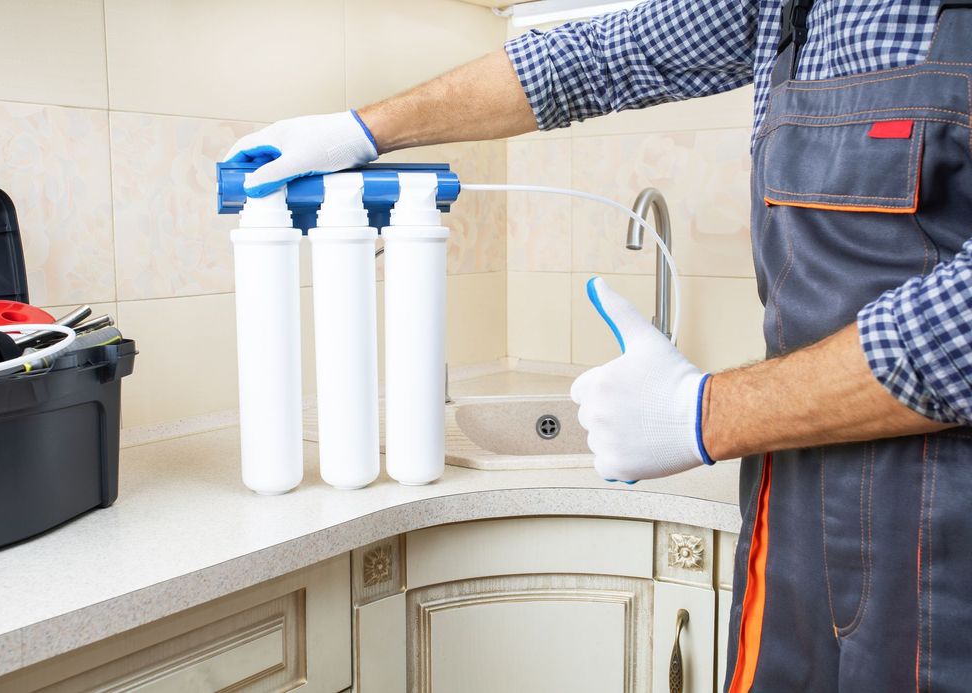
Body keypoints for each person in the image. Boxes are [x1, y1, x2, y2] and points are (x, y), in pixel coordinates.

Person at [226, 1, 972, 689]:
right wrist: (364, 129)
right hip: (796, 492)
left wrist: (704, 414)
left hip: (947, 525)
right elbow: (595, 58)